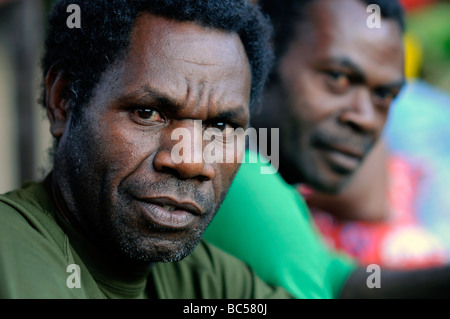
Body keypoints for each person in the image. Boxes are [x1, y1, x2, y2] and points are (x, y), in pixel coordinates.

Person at [0, 0, 294, 299]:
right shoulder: (10, 252)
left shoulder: (208, 280)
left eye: (220, 126)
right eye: (147, 113)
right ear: (63, 101)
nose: (191, 162)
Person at [204, 0, 450, 298]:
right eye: (337, 78)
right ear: (263, 54)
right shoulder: (243, 177)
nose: (366, 119)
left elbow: (336, 280)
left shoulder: (262, 168)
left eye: (383, 95)